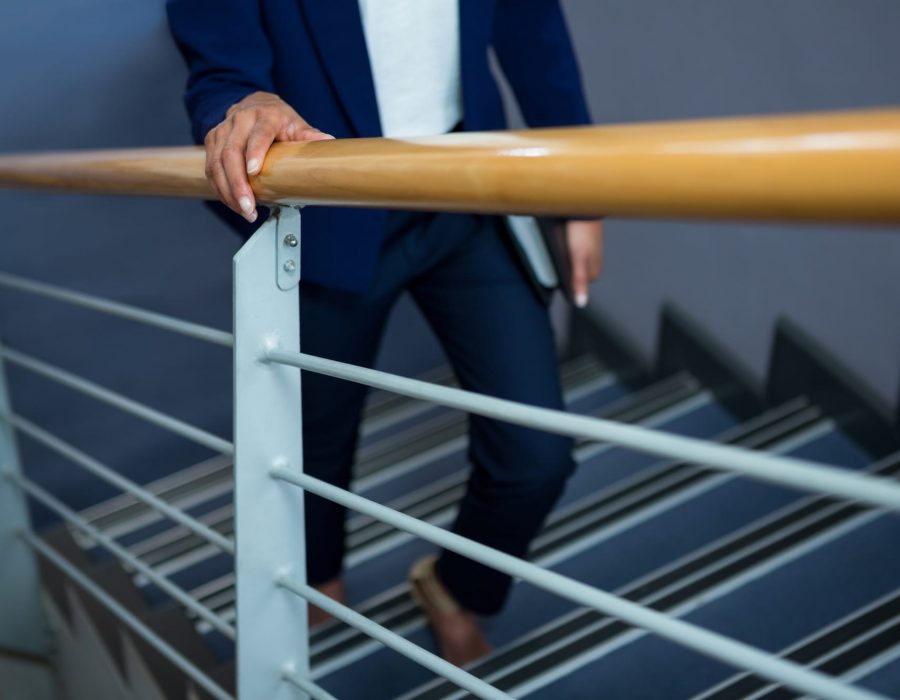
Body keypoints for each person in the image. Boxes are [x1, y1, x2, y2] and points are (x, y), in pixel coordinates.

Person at [167, 0, 603, 666]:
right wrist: (244, 103)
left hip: (465, 192)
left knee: (536, 454)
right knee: (312, 443)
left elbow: (533, 27)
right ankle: (315, 583)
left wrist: (578, 189)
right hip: (329, 208)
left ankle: (456, 588)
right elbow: (221, 66)